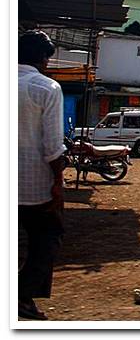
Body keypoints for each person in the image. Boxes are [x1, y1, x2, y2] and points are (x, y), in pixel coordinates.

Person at [18, 30, 66, 321]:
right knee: (47, 237)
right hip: (33, 184)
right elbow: (51, 147)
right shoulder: (46, 88)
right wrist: (58, 184)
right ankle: (21, 296)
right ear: (44, 59)